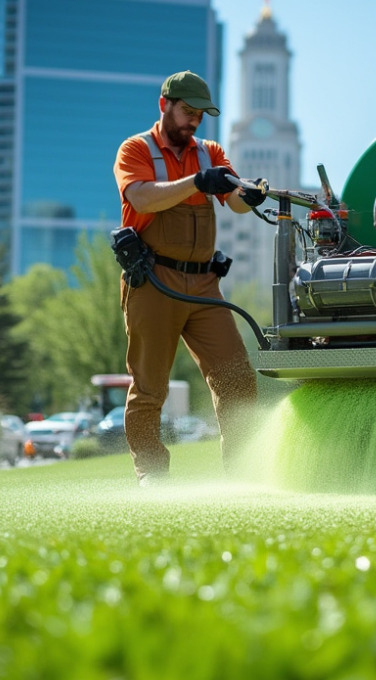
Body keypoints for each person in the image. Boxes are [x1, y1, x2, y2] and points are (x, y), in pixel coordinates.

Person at [112, 70, 265, 486]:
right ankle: (152, 475)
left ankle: (244, 474)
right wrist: (196, 181)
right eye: (187, 111)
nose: (193, 121)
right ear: (165, 105)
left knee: (236, 379)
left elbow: (234, 203)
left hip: (203, 286)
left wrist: (249, 194)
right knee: (149, 389)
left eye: (200, 114)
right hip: (153, 282)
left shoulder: (211, 150)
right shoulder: (135, 150)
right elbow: (141, 196)